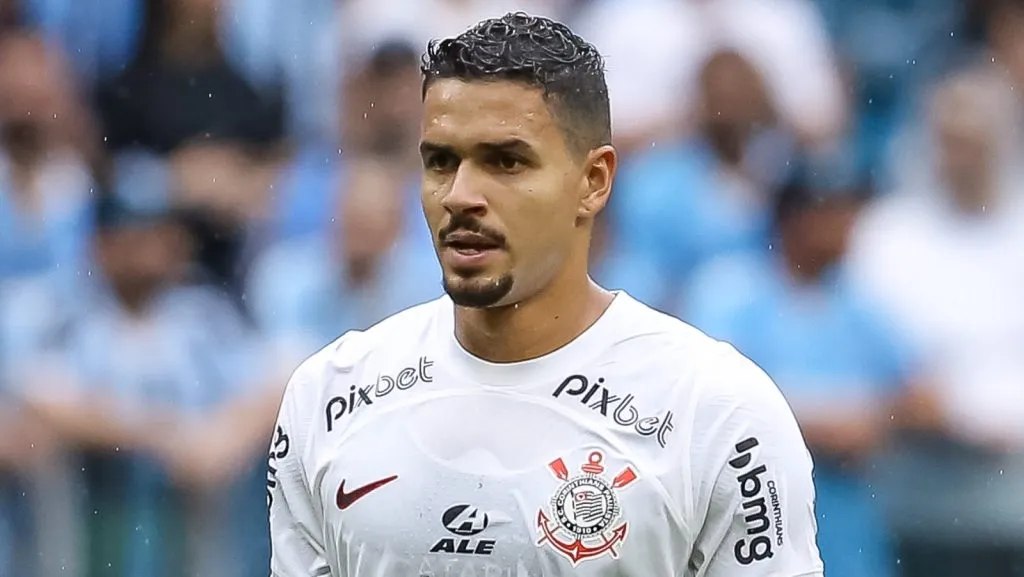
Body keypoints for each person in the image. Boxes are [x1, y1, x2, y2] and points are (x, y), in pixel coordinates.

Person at [267, 12, 823, 577]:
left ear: (594, 181)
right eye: (440, 161)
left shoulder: (718, 414)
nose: (460, 195)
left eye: (505, 161)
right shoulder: (327, 399)